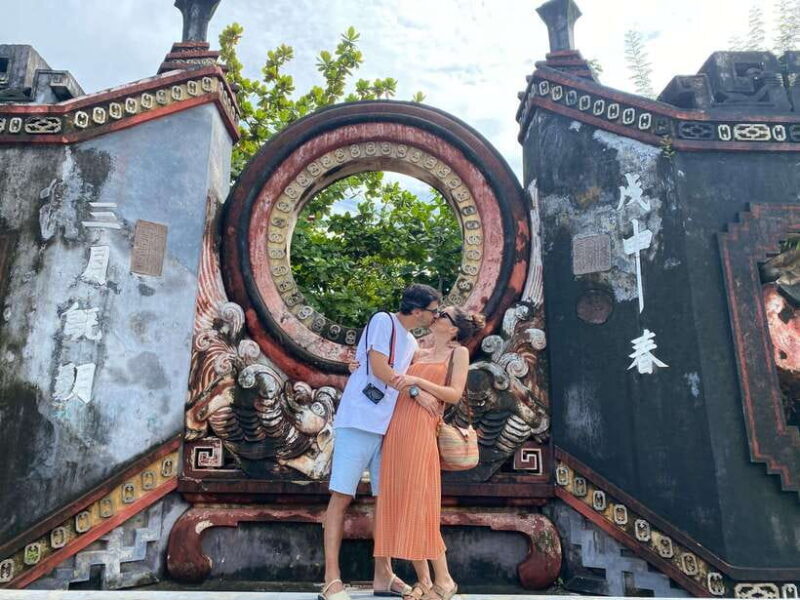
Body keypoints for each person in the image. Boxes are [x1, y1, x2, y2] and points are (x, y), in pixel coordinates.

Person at [320, 284, 443, 600]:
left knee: (384, 501)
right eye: (433, 310)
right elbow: (378, 368)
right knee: (341, 496)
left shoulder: (412, 340)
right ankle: (331, 579)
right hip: (359, 421)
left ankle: (383, 575)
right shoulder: (383, 321)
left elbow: (418, 366)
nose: (436, 316)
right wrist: (415, 392)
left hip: (388, 427)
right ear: (417, 310)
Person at [374, 306, 484, 600]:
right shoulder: (417, 347)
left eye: (443, 315)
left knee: (420, 502)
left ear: (453, 329)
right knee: (401, 502)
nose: (436, 317)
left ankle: (444, 580)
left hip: (423, 428)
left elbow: (454, 394)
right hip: (396, 426)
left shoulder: (458, 353)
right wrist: (409, 387)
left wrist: (417, 382)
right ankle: (424, 581)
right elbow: (395, 380)